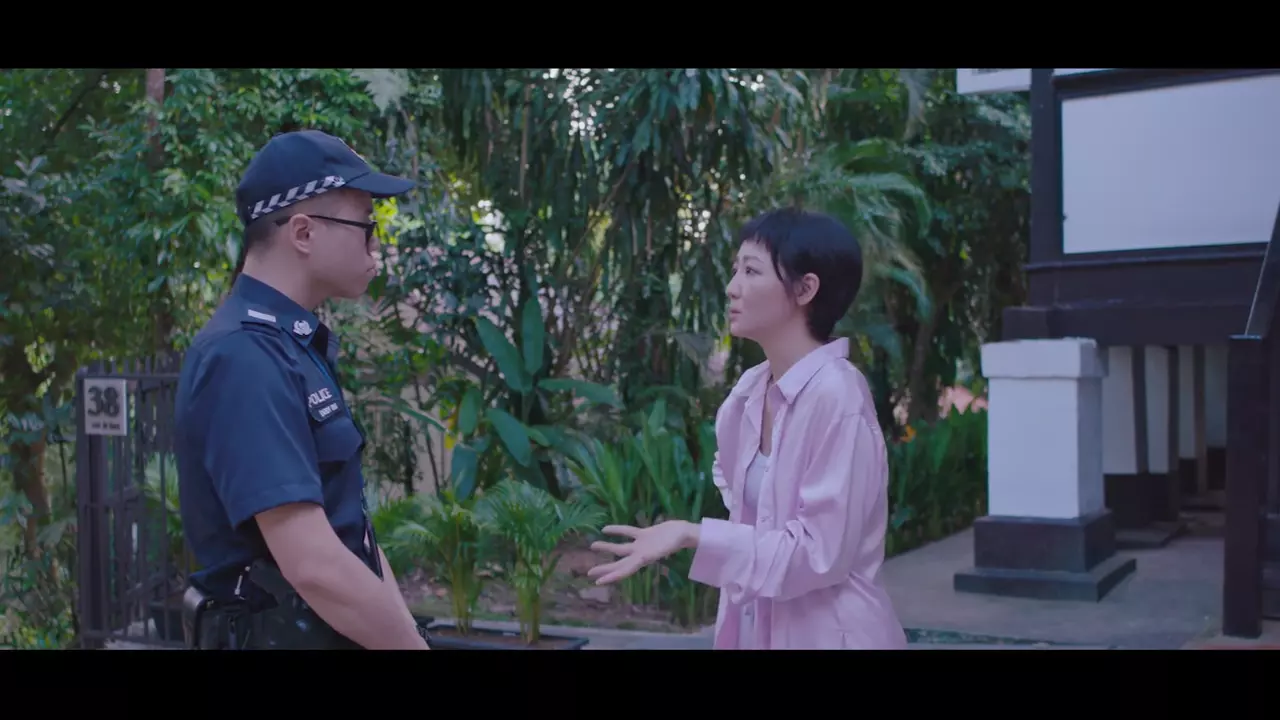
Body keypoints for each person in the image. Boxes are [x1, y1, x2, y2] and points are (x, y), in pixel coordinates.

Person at [588, 207, 907, 650]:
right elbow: (754, 525)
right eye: (735, 269)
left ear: (805, 289)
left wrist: (692, 534)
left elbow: (819, 555)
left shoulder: (838, 395)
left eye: (751, 271)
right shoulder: (747, 395)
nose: (732, 287)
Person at [173, 129, 429, 650]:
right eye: (366, 225)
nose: (376, 245)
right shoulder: (244, 357)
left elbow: (352, 534)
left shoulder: (290, 345)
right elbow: (313, 564)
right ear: (304, 233)